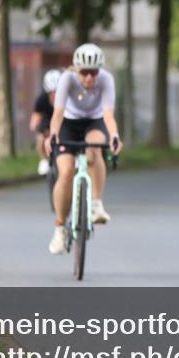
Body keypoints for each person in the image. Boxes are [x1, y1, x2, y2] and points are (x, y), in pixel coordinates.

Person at [45, 43, 122, 254]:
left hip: (94, 122)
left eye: (94, 72)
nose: (89, 78)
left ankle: (96, 204)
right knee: (67, 170)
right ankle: (60, 228)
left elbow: (108, 115)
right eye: (85, 72)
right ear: (76, 70)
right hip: (68, 123)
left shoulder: (106, 80)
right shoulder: (66, 79)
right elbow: (58, 113)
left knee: (95, 150)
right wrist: (53, 134)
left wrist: (114, 135)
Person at [31, 69, 62, 175]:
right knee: (41, 138)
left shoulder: (67, 99)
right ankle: (44, 159)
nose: (54, 95)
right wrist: (39, 129)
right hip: (47, 124)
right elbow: (34, 120)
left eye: (57, 92)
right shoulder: (42, 100)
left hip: (63, 124)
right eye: (51, 92)